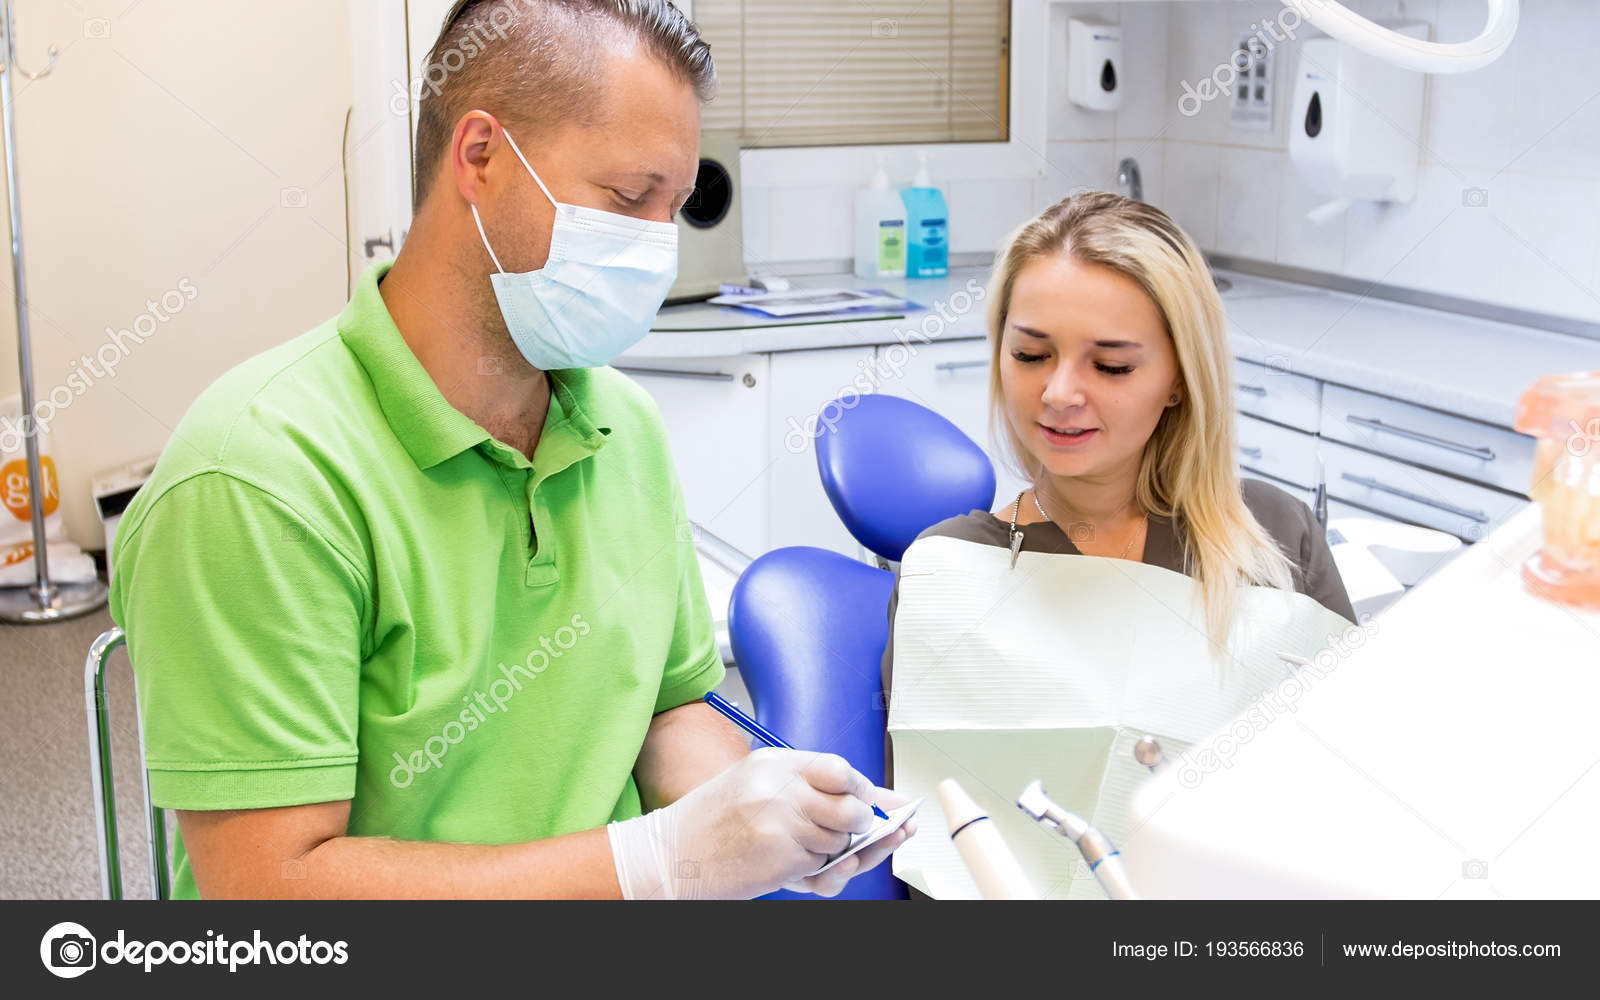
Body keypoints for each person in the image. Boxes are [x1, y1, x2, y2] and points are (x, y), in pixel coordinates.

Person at [109, 0, 910, 900]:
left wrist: (773, 816)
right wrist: (650, 861)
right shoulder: (257, 478)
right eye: (628, 198)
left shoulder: (624, 428)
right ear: (481, 156)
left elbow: (664, 709)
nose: (659, 248)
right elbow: (268, 890)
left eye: (675, 208)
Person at [882, 192, 1355, 755]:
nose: (1059, 394)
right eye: (1030, 355)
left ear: (1180, 379)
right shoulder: (950, 572)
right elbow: (924, 796)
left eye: (1111, 366)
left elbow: (1358, 763)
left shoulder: (1276, 539)